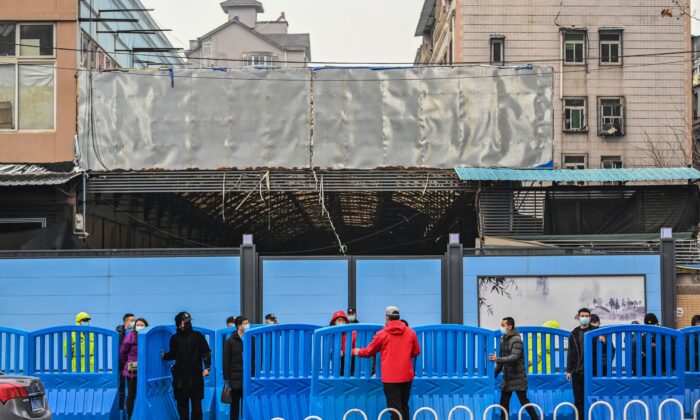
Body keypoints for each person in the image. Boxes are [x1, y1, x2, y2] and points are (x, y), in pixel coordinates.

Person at [353, 306, 420, 420]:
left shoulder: (382, 334)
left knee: (394, 409)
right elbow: (416, 351)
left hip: (391, 377)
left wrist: (359, 351)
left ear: (387, 318)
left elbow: (369, 351)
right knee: (404, 406)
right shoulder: (410, 332)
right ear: (398, 317)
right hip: (406, 376)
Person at [162, 312, 212, 420]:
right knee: (182, 405)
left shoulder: (198, 336)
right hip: (180, 377)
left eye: (189, 320)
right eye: (185, 321)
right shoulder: (174, 338)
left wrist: (207, 367)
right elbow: (172, 354)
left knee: (197, 405)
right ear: (179, 323)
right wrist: (164, 356)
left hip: (196, 376)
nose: (188, 323)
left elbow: (206, 352)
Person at [490, 317, 539, 420]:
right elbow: (500, 363)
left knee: (524, 401)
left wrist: (497, 359)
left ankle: (536, 418)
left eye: (503, 325)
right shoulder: (503, 340)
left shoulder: (517, 340)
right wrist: (492, 376)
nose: (501, 327)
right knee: (503, 403)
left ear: (510, 327)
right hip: (507, 379)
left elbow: (514, 357)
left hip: (517, 378)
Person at [566, 308, 599, 420]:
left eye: (586, 316)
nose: (584, 318)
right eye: (582, 316)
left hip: (591, 372)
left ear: (590, 318)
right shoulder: (574, 333)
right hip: (577, 372)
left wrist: (604, 341)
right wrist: (568, 370)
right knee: (578, 399)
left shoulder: (596, 332)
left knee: (592, 398)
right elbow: (570, 353)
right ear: (578, 317)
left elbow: (606, 349)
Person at [119, 318, 148, 420]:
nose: (139, 326)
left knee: (144, 393)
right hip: (132, 369)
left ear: (146, 326)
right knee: (131, 393)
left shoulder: (148, 336)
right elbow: (122, 353)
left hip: (145, 370)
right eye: (138, 324)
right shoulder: (129, 336)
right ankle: (130, 416)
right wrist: (127, 363)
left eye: (142, 325)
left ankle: (142, 415)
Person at [223, 316, 250, 420]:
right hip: (234, 380)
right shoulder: (230, 341)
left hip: (247, 379)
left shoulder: (251, 339)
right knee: (234, 407)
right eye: (245, 323)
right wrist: (227, 378)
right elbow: (226, 361)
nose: (248, 325)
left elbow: (254, 359)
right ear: (239, 326)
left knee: (247, 406)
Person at [117, 313, 135, 412]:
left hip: (132, 365)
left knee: (131, 390)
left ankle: (128, 411)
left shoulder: (134, 332)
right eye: (132, 320)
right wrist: (124, 363)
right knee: (122, 388)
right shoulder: (119, 333)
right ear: (126, 321)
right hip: (122, 365)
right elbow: (121, 351)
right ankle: (121, 410)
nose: (134, 322)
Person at [330, 310, 356, 375]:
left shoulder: (353, 334)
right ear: (334, 322)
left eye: (343, 320)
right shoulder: (330, 335)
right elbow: (329, 350)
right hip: (335, 365)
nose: (341, 322)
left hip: (350, 363)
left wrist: (345, 353)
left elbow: (357, 350)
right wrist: (333, 351)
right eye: (339, 320)